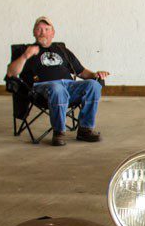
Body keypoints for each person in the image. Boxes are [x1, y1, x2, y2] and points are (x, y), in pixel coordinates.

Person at [6, 16, 109, 146]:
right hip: (42, 88)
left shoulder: (62, 50)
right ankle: (59, 132)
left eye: (46, 29)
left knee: (93, 85)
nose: (43, 32)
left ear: (52, 33)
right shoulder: (25, 50)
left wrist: (96, 74)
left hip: (69, 86)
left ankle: (85, 129)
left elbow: (82, 72)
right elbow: (11, 73)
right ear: (34, 32)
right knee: (57, 88)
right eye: (39, 29)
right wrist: (26, 56)